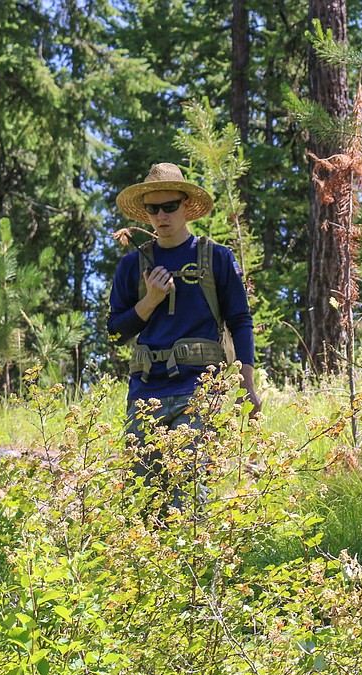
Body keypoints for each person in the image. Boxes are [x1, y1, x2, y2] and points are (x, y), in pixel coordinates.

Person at [107, 162, 261, 510]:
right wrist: (149, 302)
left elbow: (240, 321)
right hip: (145, 395)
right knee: (141, 504)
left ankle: (197, 565)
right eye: (153, 209)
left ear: (185, 206)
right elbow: (116, 332)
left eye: (170, 206)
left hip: (199, 392)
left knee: (189, 502)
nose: (162, 215)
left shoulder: (217, 259)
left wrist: (247, 385)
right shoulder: (132, 266)